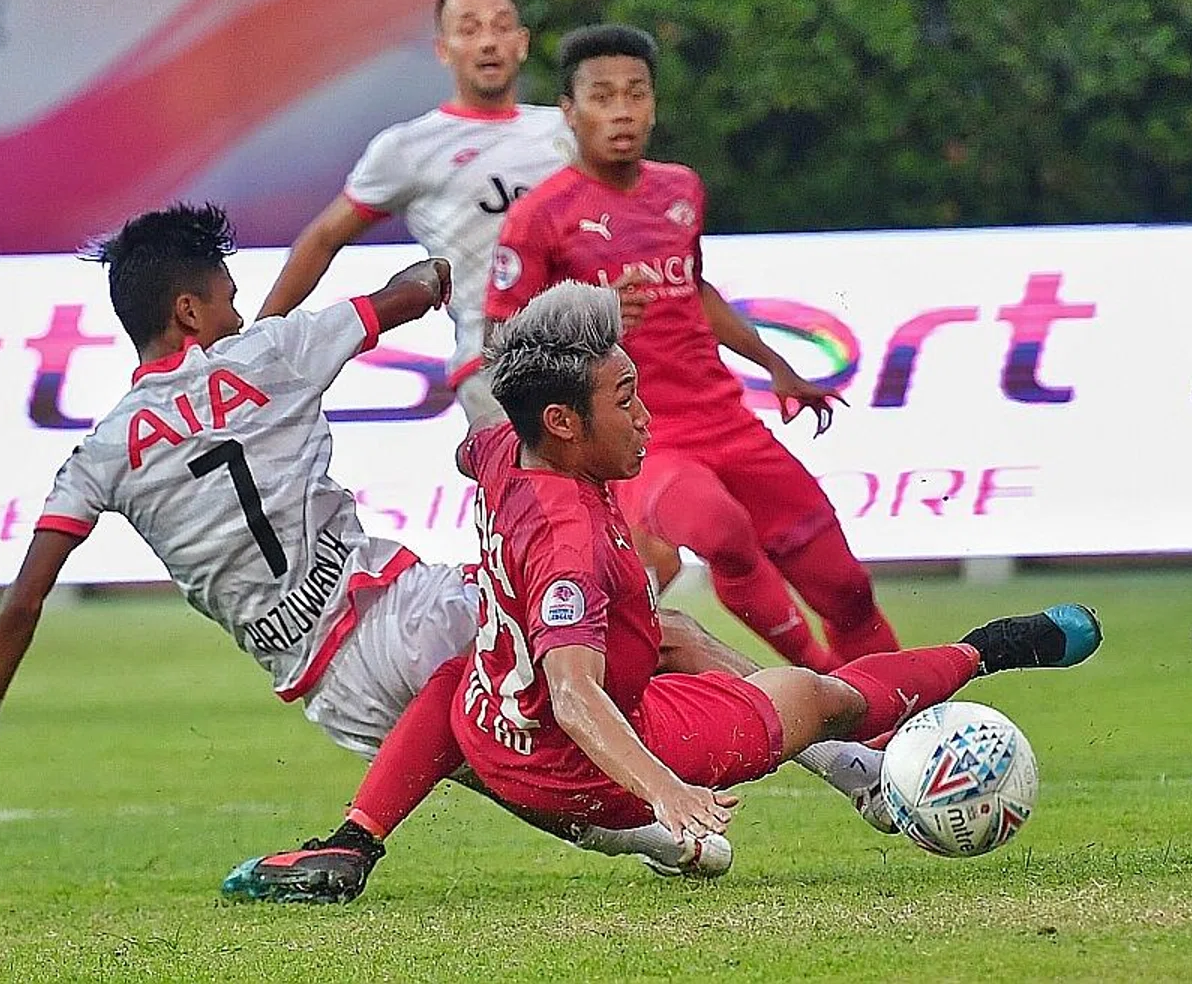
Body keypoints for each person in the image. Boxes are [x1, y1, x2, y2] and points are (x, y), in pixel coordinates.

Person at [0, 205, 882, 889]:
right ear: (190, 313)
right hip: (396, 606)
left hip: (324, 687)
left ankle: (661, 842)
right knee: (651, 631)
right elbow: (408, 291)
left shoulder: (98, 454)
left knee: (500, 753)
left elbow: (23, 600)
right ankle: (852, 771)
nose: (242, 315)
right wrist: (452, 258)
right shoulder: (274, 352)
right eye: (229, 298)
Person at [433, 283, 1101, 861]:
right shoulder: (568, 544)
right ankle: (992, 648)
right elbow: (576, 697)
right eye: (625, 400)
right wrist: (666, 791)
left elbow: (472, 453)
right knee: (824, 698)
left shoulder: (506, 447)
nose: (645, 417)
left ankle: (857, 773)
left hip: (498, 724)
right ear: (563, 423)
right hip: (584, 767)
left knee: (673, 631)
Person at [483, 24, 896, 672]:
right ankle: (822, 681)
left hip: (726, 420)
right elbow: (500, 343)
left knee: (847, 588)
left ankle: (901, 719)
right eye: (602, 95)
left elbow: (693, 288)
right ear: (569, 110)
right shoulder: (540, 216)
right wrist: (592, 314)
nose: (621, 110)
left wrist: (776, 367)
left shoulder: (679, 188)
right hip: (638, 433)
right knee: (715, 526)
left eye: (635, 93)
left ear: (652, 104)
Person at [258, 0, 573, 423]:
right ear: (443, 50)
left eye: (501, 27)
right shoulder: (408, 148)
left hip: (594, 353)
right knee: (536, 495)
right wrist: (254, 341)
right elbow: (323, 237)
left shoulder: (567, 130)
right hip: (497, 365)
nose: (488, 41)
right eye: (469, 29)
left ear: (522, 42)